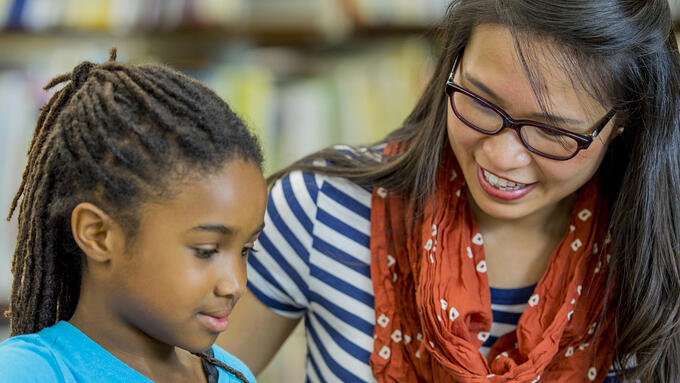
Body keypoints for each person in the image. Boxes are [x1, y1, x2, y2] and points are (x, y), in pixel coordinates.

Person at [218, 0, 680, 382]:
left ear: (624, 121)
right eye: (479, 100)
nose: (501, 156)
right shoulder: (320, 211)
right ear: (449, 66)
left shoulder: (656, 255)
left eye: (549, 132)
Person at [0, 49, 267, 383]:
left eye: (246, 249)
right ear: (98, 234)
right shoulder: (27, 373)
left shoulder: (236, 376)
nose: (236, 284)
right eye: (206, 250)